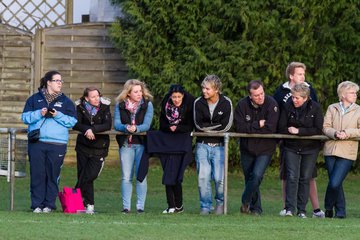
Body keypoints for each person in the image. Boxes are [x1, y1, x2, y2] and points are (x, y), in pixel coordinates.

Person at [273, 62, 325, 218]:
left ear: (306, 97)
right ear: (291, 76)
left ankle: (303, 210)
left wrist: (299, 131)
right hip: (290, 147)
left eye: (297, 98)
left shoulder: (315, 106)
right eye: (300, 74)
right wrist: (289, 133)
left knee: (306, 178)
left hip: (310, 148)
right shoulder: (284, 99)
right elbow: (281, 125)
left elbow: (318, 128)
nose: (294, 100)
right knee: (291, 176)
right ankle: (289, 208)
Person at [21, 70, 77, 213]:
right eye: (57, 80)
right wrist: (38, 113)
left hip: (57, 144)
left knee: (53, 175)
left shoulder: (67, 102)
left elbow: (72, 122)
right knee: (37, 174)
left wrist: (57, 115)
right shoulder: (34, 99)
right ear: (48, 82)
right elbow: (25, 118)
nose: (60, 83)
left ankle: (49, 205)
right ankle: (37, 205)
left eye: (61, 81)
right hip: (37, 143)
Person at [234, 80, 279, 215]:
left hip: (265, 148)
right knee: (250, 179)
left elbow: (271, 128)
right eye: (256, 95)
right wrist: (257, 124)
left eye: (262, 93)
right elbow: (240, 128)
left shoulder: (272, 104)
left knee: (257, 175)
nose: (260, 97)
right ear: (250, 96)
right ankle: (256, 209)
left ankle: (245, 200)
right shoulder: (242, 105)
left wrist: (251, 129)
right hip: (247, 148)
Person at [193, 74, 233, 215]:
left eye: (208, 89)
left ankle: (220, 204)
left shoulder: (226, 102)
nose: (204, 91)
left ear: (216, 89)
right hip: (202, 146)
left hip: (220, 147)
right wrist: (214, 127)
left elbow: (227, 126)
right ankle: (205, 206)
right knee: (203, 177)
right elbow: (197, 124)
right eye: (203, 88)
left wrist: (207, 128)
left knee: (219, 178)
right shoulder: (198, 102)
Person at [114, 79, 154, 214]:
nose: (139, 94)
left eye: (140, 91)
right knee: (126, 177)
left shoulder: (148, 105)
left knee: (141, 176)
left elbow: (147, 125)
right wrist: (126, 127)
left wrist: (136, 128)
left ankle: (140, 207)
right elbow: (117, 124)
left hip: (142, 145)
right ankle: (126, 207)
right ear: (128, 93)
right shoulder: (120, 105)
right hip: (126, 145)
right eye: (136, 92)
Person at [323, 81, 360, 219]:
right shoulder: (332, 108)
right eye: (352, 92)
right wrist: (335, 133)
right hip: (330, 150)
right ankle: (340, 212)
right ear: (343, 95)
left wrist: (347, 132)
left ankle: (327, 207)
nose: (355, 95)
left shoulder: (359, 110)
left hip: (347, 152)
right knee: (336, 183)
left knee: (334, 182)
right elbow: (325, 127)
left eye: (355, 93)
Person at [73, 87, 112, 214]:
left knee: (89, 176)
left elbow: (107, 125)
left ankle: (74, 194)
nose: (96, 99)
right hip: (83, 147)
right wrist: (86, 130)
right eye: (93, 97)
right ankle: (88, 205)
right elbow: (76, 123)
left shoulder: (105, 106)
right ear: (86, 98)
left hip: (99, 148)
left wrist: (92, 129)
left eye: (98, 96)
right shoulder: (79, 107)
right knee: (82, 174)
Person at [159, 84, 195, 213]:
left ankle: (178, 206)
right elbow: (161, 124)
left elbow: (190, 125)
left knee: (177, 176)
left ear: (183, 96)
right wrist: (169, 127)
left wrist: (177, 128)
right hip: (168, 143)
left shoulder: (189, 105)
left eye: (179, 97)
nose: (176, 99)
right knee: (168, 173)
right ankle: (171, 205)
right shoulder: (165, 104)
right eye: (174, 97)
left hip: (182, 144)